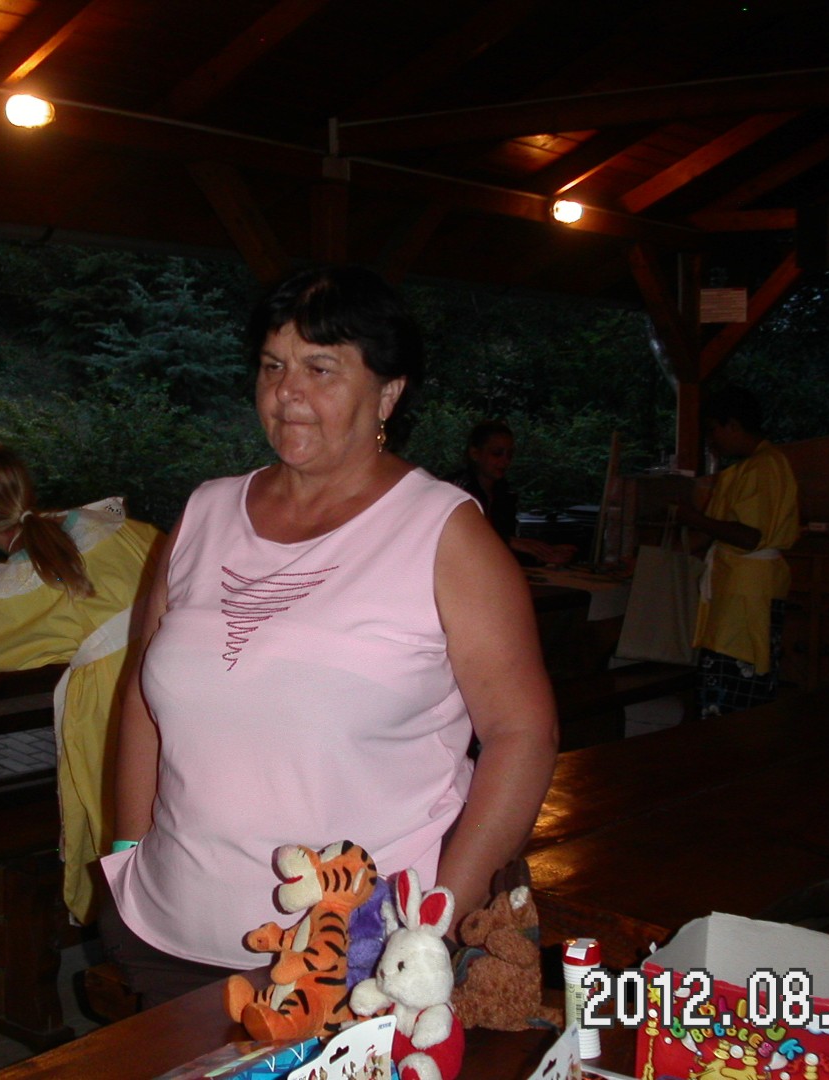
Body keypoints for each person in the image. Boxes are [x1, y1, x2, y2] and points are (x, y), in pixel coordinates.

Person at [100, 265, 559, 1007]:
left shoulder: (444, 534)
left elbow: (522, 735)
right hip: (166, 935)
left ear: (388, 391)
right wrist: (126, 854)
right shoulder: (204, 513)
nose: (287, 392)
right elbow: (142, 697)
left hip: (354, 962)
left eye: (320, 368)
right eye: (272, 366)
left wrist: (435, 919)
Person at [0, 445, 163, 925]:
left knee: (115, 815)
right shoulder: (107, 528)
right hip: (164, 680)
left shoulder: (13, 588)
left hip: (110, 707)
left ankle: (127, 921)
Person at [675, 386, 799, 717]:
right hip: (740, 589)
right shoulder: (758, 466)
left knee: (733, 692)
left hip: (746, 595)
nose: (711, 440)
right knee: (730, 684)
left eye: (713, 430)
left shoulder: (763, 467)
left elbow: (748, 535)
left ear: (732, 425)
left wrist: (694, 518)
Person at [453, 420, 576, 567]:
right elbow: (457, 540)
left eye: (509, 455)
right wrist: (511, 542)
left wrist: (543, 554)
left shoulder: (505, 494)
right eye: (497, 454)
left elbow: (506, 551)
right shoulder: (457, 491)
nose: (505, 461)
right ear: (475, 453)